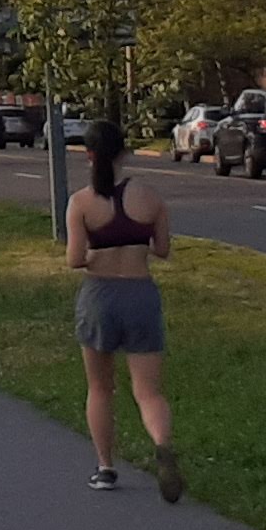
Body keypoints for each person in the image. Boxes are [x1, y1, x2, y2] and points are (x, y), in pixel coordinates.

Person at [62, 119, 180, 500]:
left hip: (100, 296)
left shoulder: (81, 203)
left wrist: (100, 250)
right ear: (123, 153)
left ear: (89, 155)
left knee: (100, 387)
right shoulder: (149, 198)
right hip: (141, 294)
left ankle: (105, 467)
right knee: (148, 391)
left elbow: (74, 259)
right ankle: (161, 443)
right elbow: (162, 249)